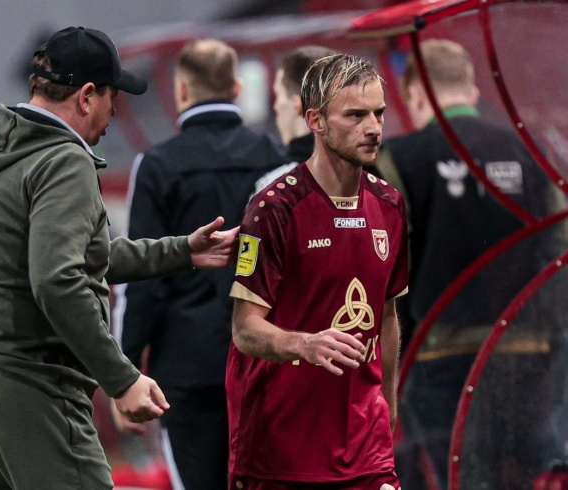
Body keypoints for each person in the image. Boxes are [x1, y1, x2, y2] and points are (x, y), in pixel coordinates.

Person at [0, 26, 238, 490]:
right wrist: (122, 378)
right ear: (85, 96)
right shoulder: (64, 160)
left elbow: (82, 256)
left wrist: (182, 250)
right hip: (31, 382)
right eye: (110, 96)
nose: (113, 111)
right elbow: (57, 280)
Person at [377, 39, 562, 489]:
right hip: (527, 349)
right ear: (473, 90)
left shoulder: (396, 159)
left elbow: (386, 260)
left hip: (438, 352)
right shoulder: (529, 150)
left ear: (415, 94)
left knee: (458, 473)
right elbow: (560, 243)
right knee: (529, 474)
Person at [226, 54, 408, 489]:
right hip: (281, 448)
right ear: (316, 121)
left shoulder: (390, 204)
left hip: (366, 445)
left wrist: (387, 404)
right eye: (356, 115)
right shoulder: (273, 209)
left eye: (379, 113)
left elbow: (386, 316)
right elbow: (245, 329)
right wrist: (304, 344)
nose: (374, 127)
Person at [113, 39, 287, 490]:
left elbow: (141, 277)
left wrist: (123, 371)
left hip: (186, 365)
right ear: (235, 87)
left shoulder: (157, 165)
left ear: (182, 90)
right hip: (266, 359)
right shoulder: (276, 158)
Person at [252, 45, 338, 195]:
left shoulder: (276, 187)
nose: (276, 106)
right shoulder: (371, 176)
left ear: (297, 105)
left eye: (279, 95)